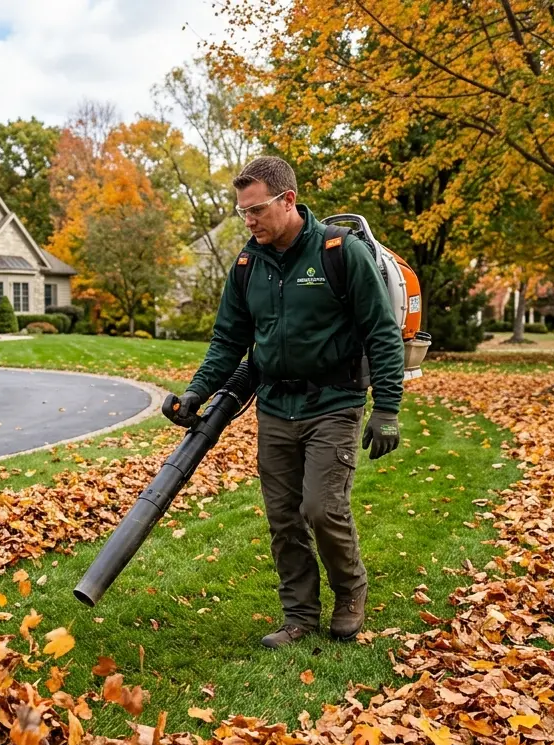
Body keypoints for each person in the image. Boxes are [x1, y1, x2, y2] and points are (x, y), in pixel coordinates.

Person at [162, 156, 404, 648]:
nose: (248, 221)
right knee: (284, 517)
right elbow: (229, 340)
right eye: (242, 213)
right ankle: (299, 616)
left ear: (287, 200)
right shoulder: (248, 264)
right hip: (275, 407)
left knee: (321, 507)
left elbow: (381, 332)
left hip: (334, 402)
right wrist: (195, 391)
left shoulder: (341, 253)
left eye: (255, 210)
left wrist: (387, 408)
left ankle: (350, 590)